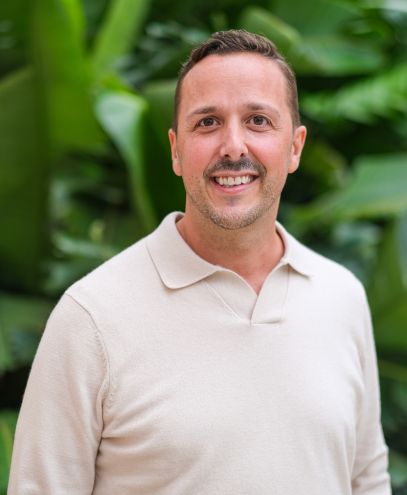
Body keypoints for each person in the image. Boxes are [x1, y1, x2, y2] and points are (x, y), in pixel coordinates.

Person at [8, 30, 390, 494]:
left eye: (258, 121)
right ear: (175, 149)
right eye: (208, 122)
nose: (233, 146)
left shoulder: (341, 296)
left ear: (295, 147)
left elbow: (367, 479)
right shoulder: (92, 317)